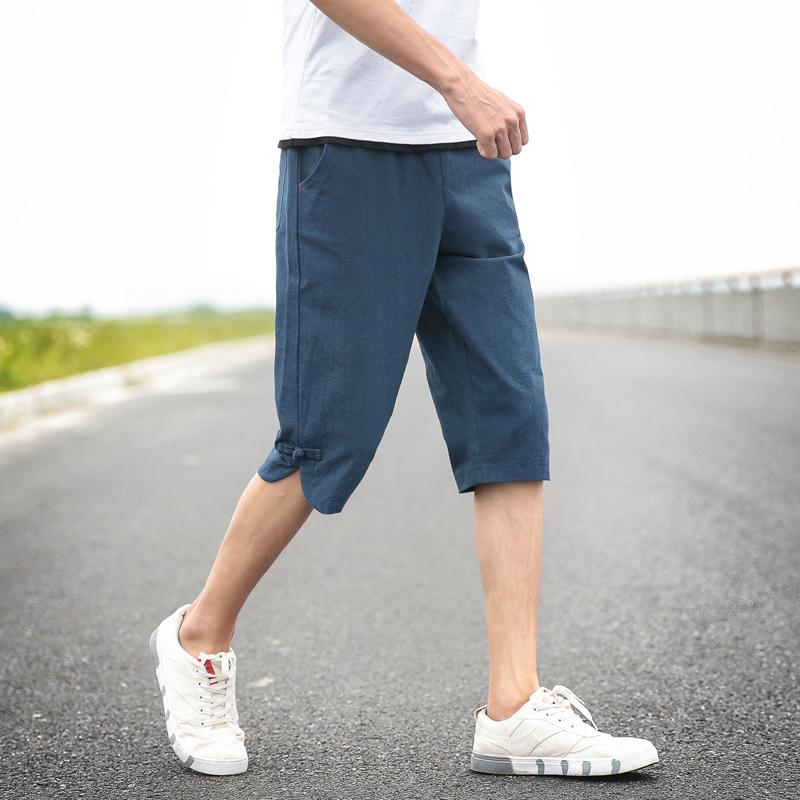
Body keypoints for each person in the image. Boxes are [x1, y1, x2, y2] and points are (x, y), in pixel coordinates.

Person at [150, 0, 659, 778]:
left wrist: (463, 101)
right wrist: (458, 81)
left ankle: (515, 708)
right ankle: (199, 637)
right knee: (327, 431)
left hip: (469, 156)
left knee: (511, 419)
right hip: (349, 148)